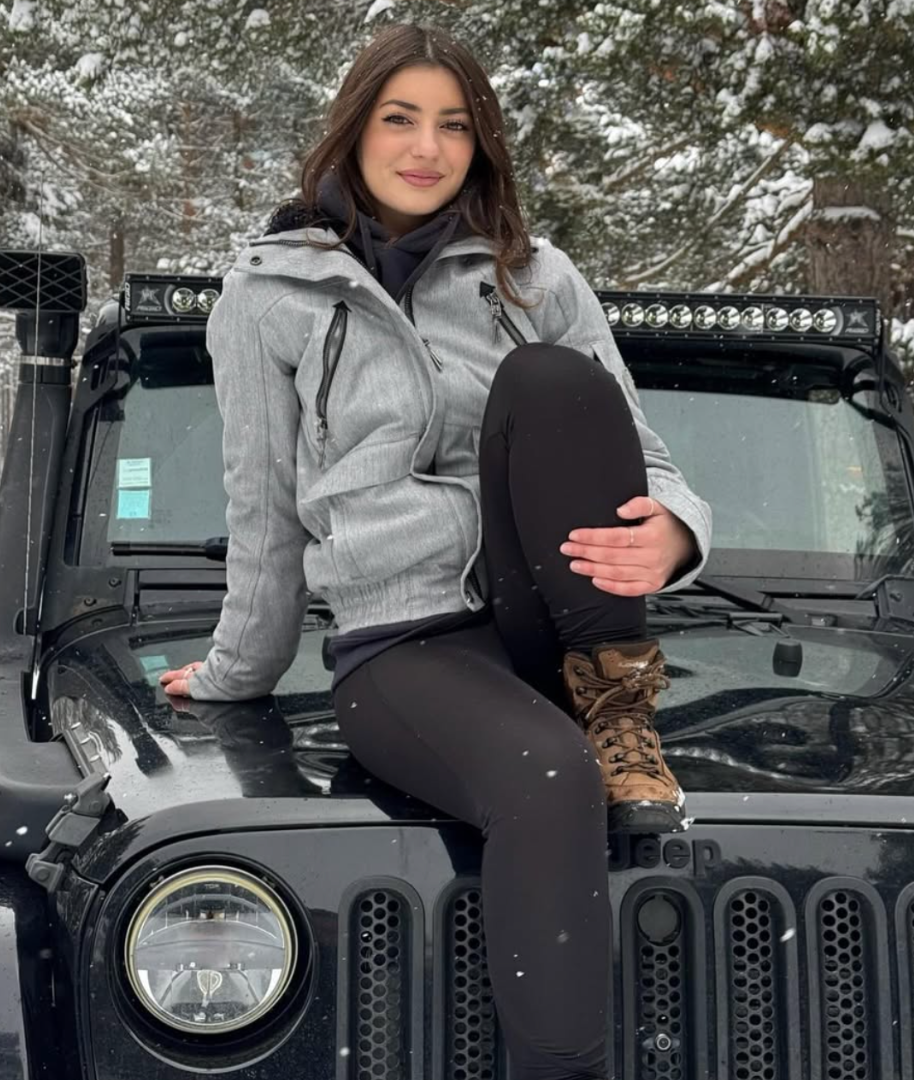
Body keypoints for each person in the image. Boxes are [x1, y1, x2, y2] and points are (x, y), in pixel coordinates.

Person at [159, 21, 711, 1080]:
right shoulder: (268, 295)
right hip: (404, 645)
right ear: (354, 131)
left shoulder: (536, 275)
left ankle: (619, 709)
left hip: (559, 619)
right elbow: (265, 512)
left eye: (455, 125)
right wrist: (235, 674)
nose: (427, 147)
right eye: (400, 118)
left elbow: (638, 450)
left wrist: (680, 531)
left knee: (551, 383)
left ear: (483, 143)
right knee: (549, 780)